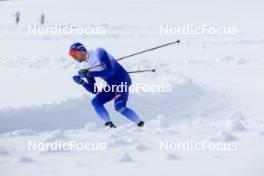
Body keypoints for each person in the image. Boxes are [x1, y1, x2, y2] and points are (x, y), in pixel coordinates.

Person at [69, 42, 145, 128]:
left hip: (122, 81)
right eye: (70, 54)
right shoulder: (84, 66)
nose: (73, 57)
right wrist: (82, 82)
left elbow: (109, 72)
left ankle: (142, 124)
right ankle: (109, 125)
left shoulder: (99, 52)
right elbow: (94, 90)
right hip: (111, 85)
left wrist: (90, 74)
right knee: (95, 102)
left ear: (81, 51)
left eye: (73, 53)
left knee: (119, 107)